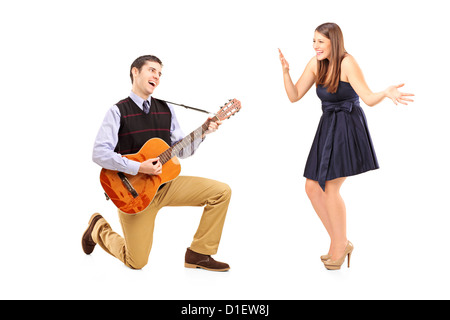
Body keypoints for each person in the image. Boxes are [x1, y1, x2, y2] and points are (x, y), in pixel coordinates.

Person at [278, 23, 414, 270]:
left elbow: (369, 99)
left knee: (330, 186)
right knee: (311, 187)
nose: (315, 46)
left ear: (334, 42)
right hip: (328, 125)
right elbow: (294, 95)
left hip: (348, 126)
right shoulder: (315, 63)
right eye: (314, 41)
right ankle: (341, 242)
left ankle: (338, 247)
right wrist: (286, 72)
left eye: (320, 41)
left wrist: (385, 92)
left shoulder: (348, 63)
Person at [82, 55, 232, 271]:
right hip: (133, 195)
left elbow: (184, 150)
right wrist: (138, 167)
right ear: (135, 71)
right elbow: (99, 153)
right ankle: (98, 228)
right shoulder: (118, 111)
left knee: (221, 192)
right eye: (152, 70)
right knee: (136, 261)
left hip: (166, 186)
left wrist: (203, 132)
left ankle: (198, 253)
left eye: (160, 73)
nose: (157, 76)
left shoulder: (166, 110)